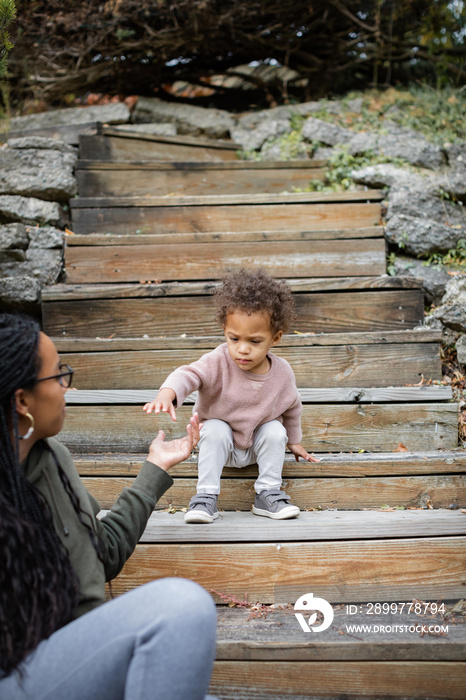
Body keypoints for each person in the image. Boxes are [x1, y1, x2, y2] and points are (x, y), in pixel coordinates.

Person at [0, 313, 218, 700]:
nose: (67, 386)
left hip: (78, 656)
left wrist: (154, 470)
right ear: (21, 400)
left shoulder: (52, 461)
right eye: (57, 376)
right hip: (17, 675)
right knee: (183, 607)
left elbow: (102, 552)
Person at [144, 269, 319, 525]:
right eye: (233, 338)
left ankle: (267, 493)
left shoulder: (282, 373)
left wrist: (294, 441)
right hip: (219, 446)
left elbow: (292, 407)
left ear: (275, 338)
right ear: (224, 330)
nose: (242, 349)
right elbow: (188, 374)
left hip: (257, 448)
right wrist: (167, 393)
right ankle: (205, 498)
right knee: (214, 427)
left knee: (274, 430)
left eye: (255, 341)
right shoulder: (218, 361)